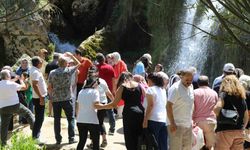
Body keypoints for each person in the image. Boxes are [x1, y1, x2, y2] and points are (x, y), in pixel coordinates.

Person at [99, 72, 145, 150]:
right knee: (139, 136)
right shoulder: (139, 85)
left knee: (130, 138)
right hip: (140, 112)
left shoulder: (122, 87)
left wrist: (102, 106)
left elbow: (114, 104)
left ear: (123, 79)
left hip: (129, 113)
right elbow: (146, 97)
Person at [48, 52, 80, 144]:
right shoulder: (69, 70)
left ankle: (58, 140)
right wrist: (72, 56)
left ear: (58, 63)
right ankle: (71, 138)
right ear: (66, 63)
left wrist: (51, 97)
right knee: (70, 119)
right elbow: (79, 64)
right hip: (67, 98)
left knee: (57, 120)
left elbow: (49, 87)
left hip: (56, 99)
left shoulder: (52, 72)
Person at [0, 70, 34, 146]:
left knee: (4, 125)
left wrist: (15, 79)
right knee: (28, 113)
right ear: (7, 76)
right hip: (15, 105)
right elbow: (24, 87)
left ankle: (3, 144)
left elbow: (6, 83)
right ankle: (35, 132)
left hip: (3, 107)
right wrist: (22, 80)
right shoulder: (11, 84)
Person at [214, 75, 248, 150]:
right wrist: (242, 128)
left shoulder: (224, 94)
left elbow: (216, 109)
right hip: (239, 132)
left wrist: (221, 116)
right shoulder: (242, 98)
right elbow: (246, 117)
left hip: (224, 131)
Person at [167, 68, 194, 150]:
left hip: (188, 124)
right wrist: (172, 123)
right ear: (181, 77)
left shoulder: (191, 87)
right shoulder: (175, 89)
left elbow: (191, 103)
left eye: (191, 80)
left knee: (187, 148)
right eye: (187, 79)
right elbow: (168, 106)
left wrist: (192, 120)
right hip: (176, 125)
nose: (189, 82)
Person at [76, 76, 103, 150]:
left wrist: (77, 118)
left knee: (81, 141)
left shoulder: (81, 92)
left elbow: (77, 106)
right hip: (92, 120)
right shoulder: (95, 92)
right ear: (93, 83)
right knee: (95, 143)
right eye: (97, 83)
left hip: (81, 120)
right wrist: (108, 106)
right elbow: (96, 106)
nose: (98, 85)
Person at [143, 73, 168, 150]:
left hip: (153, 119)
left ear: (151, 80)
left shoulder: (150, 89)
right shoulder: (163, 90)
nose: (147, 83)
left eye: (148, 81)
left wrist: (145, 120)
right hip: (163, 120)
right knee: (162, 144)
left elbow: (150, 105)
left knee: (152, 144)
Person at [193, 75, 218, 150]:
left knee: (198, 146)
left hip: (198, 122)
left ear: (198, 84)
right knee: (209, 147)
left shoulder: (194, 92)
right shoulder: (214, 93)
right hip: (211, 122)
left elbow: (192, 108)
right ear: (208, 83)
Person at [95, 53, 116, 135]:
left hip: (98, 92)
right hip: (108, 90)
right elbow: (113, 79)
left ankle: (98, 127)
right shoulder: (110, 67)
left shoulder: (96, 68)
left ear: (97, 60)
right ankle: (112, 129)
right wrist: (114, 90)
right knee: (110, 110)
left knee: (97, 111)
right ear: (104, 59)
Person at [30, 56, 47, 140]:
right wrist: (41, 97)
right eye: (41, 62)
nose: (42, 63)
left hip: (38, 97)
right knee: (39, 118)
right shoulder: (35, 72)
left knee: (39, 117)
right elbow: (35, 85)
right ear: (37, 63)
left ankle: (36, 134)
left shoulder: (34, 70)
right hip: (38, 97)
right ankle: (35, 137)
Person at [45, 53, 60, 117]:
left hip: (50, 83)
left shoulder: (48, 64)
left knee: (50, 98)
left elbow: (46, 75)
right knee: (58, 99)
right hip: (57, 83)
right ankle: (56, 114)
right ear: (58, 58)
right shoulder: (59, 65)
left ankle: (49, 113)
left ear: (53, 58)